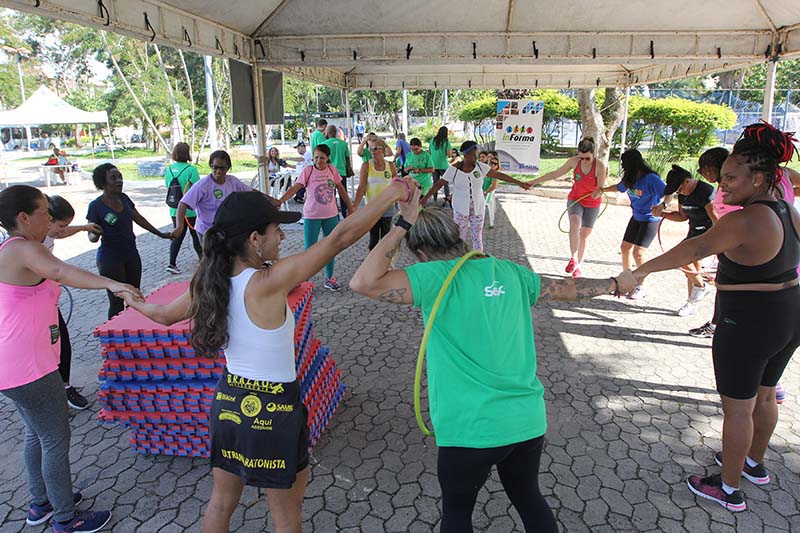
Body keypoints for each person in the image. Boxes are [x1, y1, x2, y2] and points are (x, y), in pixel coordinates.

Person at [118, 181, 418, 533]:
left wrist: (134, 301)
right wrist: (394, 198)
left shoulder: (208, 281)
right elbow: (337, 238)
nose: (283, 238)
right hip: (275, 414)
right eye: (277, 230)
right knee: (286, 518)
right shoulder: (269, 281)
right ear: (254, 239)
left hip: (229, 404)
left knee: (220, 504)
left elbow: (165, 315)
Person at [349, 190, 636, 532]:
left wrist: (401, 225)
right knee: (528, 498)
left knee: (457, 513)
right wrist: (616, 282)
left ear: (422, 254)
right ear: (457, 237)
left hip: (471, 429)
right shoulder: (510, 272)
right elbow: (565, 288)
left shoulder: (432, 277)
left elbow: (363, 281)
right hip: (525, 422)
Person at [633, 122, 799, 513]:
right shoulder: (787, 210)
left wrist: (638, 272)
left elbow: (695, 246)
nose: (721, 186)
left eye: (729, 178)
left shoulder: (745, 219)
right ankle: (754, 465)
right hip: (788, 315)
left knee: (738, 409)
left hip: (749, 323)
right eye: (721, 178)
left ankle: (728, 488)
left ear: (758, 178)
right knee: (765, 393)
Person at [0, 185, 141, 533]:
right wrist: (113, 284)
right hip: (28, 365)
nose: (50, 219)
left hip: (18, 363)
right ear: (23, 217)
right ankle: (65, 518)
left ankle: (42, 503)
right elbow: (63, 273)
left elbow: (57, 266)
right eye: (45, 213)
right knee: (53, 438)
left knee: (37, 434)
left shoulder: (16, 248)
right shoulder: (22, 249)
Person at [88, 164, 171, 319]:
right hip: (110, 260)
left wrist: (160, 234)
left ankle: (132, 332)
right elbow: (91, 237)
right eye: (113, 178)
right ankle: (114, 338)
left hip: (131, 255)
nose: (119, 181)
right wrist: (95, 234)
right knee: (117, 302)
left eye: (120, 177)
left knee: (135, 297)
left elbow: (139, 218)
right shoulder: (96, 206)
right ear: (103, 183)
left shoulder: (124, 198)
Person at [421, 141, 531, 252]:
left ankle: (478, 257)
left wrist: (519, 183)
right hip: (460, 209)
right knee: (460, 237)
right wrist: (425, 198)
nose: (475, 157)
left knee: (477, 236)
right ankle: (459, 258)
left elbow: (499, 175)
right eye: (472, 155)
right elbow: (439, 184)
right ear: (465, 155)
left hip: (478, 208)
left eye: (476, 154)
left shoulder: (480, 167)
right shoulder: (453, 170)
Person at [46, 195, 102, 410]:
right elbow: (61, 271)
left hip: (48, 300)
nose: (63, 230)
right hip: (28, 308)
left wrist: (82, 227)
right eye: (60, 225)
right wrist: (109, 284)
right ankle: (51, 396)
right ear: (46, 220)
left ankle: (65, 386)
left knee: (61, 341)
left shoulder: (48, 233)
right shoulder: (26, 244)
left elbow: (60, 234)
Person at [275, 144, 354, 291]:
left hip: (331, 215)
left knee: (331, 247)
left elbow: (341, 190)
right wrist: (280, 201)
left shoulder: (332, 170)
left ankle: (330, 278)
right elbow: (295, 188)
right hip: (311, 216)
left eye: (322, 157)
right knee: (309, 249)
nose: (319, 160)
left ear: (328, 158)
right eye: (316, 157)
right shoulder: (308, 171)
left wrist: (350, 207)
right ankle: (305, 280)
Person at [529, 137, 607, 278]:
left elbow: (601, 188)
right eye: (581, 157)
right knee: (574, 224)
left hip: (592, 203)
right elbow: (555, 173)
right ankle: (573, 258)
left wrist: (597, 192)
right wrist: (533, 182)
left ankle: (578, 265)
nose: (583, 161)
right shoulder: (574, 161)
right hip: (575, 199)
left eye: (587, 158)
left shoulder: (599, 166)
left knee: (584, 235)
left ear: (593, 154)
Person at [601, 149, 665, 299]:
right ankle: (626, 281)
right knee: (625, 248)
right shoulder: (630, 177)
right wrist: (602, 190)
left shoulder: (651, 178)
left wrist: (663, 206)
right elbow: (619, 187)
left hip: (650, 219)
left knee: (639, 253)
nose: (623, 167)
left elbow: (667, 193)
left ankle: (639, 286)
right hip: (636, 217)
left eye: (624, 164)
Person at [652, 165, 716, 316]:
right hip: (693, 232)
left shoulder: (706, 192)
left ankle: (701, 286)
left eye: (679, 189)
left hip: (708, 234)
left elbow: (717, 220)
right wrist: (662, 214)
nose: (679, 193)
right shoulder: (683, 194)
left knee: (680, 258)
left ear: (687, 181)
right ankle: (691, 303)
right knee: (692, 269)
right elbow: (682, 216)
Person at [172, 150, 252, 240]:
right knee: (211, 254)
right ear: (211, 166)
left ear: (228, 168)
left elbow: (251, 192)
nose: (218, 171)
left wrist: (268, 199)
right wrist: (179, 227)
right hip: (207, 232)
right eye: (215, 167)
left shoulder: (233, 181)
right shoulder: (202, 185)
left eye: (222, 168)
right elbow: (183, 203)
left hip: (226, 230)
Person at [353, 137, 400, 251]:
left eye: (375, 149)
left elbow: (396, 184)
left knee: (386, 237)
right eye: (370, 149)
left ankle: (385, 264)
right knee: (373, 238)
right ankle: (371, 263)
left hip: (387, 207)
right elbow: (361, 187)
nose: (372, 152)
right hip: (372, 208)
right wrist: (354, 206)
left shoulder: (390, 166)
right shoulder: (366, 165)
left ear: (383, 151)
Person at [165, 142, 202, 275]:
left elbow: (167, 186)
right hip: (190, 209)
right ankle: (203, 261)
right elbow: (198, 188)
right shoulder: (191, 169)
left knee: (178, 234)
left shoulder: (168, 169)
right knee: (196, 235)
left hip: (174, 209)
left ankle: (172, 263)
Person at [321, 125, 353, 217]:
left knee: (331, 195)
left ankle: (334, 215)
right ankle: (346, 214)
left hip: (329, 173)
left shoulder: (325, 144)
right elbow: (347, 157)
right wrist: (348, 169)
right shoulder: (343, 143)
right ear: (336, 133)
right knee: (343, 194)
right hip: (342, 172)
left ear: (327, 132)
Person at [429, 127, 452, 204]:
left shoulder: (432, 140)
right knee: (445, 183)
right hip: (443, 165)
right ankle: (447, 199)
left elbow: (429, 152)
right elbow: (449, 155)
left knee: (435, 183)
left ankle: (434, 199)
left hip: (434, 165)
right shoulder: (446, 141)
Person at [483, 156, 500, 229]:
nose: (493, 165)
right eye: (491, 163)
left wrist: (485, 192)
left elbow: (494, 186)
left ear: (497, 166)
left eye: (495, 164)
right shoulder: (485, 171)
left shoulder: (495, 174)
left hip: (485, 194)